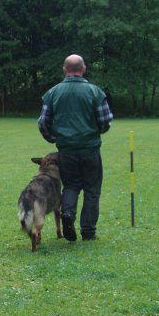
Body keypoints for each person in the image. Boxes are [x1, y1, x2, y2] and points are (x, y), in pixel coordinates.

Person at [38, 54, 113, 241]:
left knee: (71, 186)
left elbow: (42, 122)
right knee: (92, 190)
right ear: (84, 68)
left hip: (66, 151)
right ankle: (88, 231)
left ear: (65, 70)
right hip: (90, 150)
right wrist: (95, 133)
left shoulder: (53, 93)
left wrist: (53, 138)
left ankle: (68, 214)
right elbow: (105, 121)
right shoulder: (95, 92)